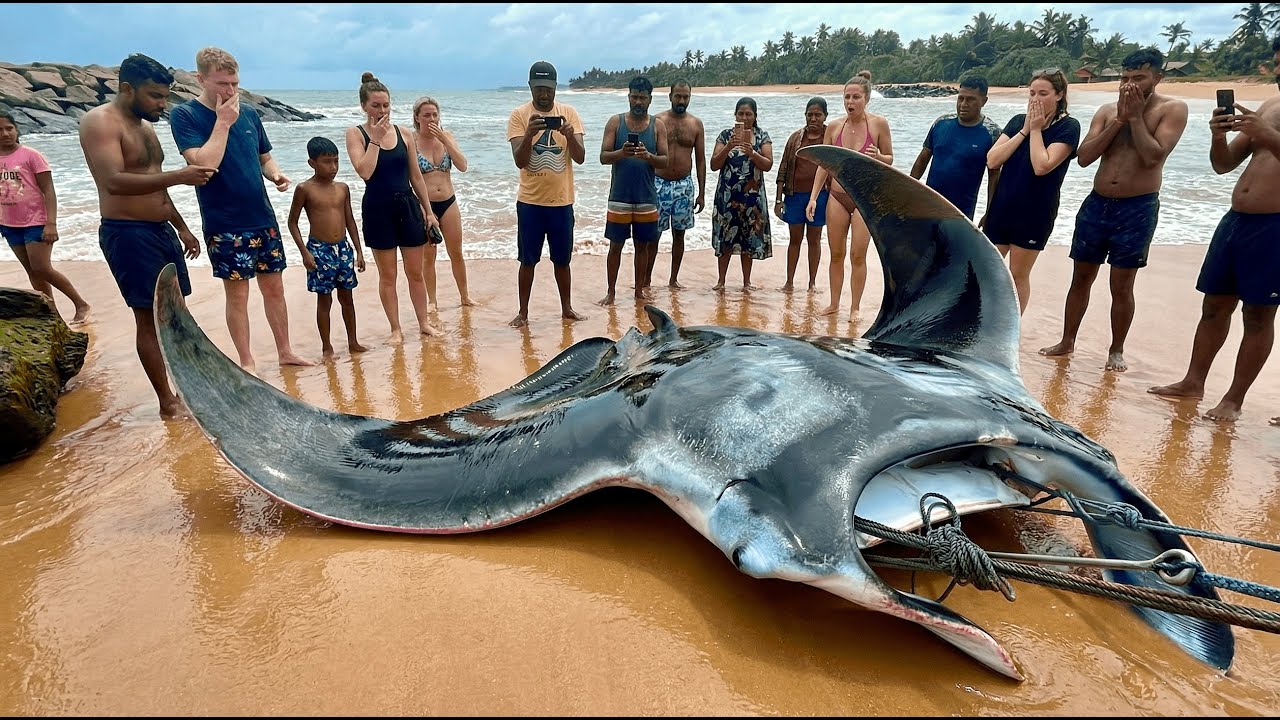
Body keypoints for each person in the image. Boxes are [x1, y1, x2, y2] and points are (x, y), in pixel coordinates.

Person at [1149, 36, 1280, 422]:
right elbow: (1223, 165)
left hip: (1275, 227)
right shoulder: (1271, 106)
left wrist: (1265, 133)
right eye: (1277, 65)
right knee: (1214, 305)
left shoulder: (1266, 118)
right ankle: (1193, 382)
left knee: (1258, 315)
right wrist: (1219, 134)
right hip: (1237, 221)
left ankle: (1234, 400)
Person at [77, 53, 216, 418]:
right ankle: (167, 402)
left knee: (176, 313)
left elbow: (154, 183)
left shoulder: (147, 127)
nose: (162, 104)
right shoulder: (100, 123)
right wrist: (180, 175)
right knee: (147, 317)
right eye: (155, 96)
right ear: (127, 88)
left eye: (165, 96)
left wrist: (181, 226)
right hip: (128, 234)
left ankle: (190, 387)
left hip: (160, 231)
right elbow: (114, 182)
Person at [1040, 49, 1189, 372]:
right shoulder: (1108, 111)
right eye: (1125, 78)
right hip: (1097, 202)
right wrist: (1120, 118)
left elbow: (1153, 157)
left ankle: (1116, 350)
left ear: (1157, 78)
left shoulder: (1172, 109)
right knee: (1081, 277)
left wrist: (1135, 118)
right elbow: (1084, 157)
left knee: (1121, 285)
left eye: (1139, 78)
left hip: (1138, 206)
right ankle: (1067, 340)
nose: (1129, 85)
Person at [169, 46, 313, 373]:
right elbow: (204, 164)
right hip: (225, 222)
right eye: (222, 84)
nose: (230, 91)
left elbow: (264, 156)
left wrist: (275, 174)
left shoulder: (248, 113)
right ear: (200, 79)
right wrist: (222, 123)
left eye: (234, 83)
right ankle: (247, 362)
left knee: (275, 289)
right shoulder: (185, 115)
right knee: (238, 296)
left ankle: (285, 351)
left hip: (262, 217)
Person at [346, 73, 443, 343]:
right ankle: (395, 329)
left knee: (416, 272)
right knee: (388, 275)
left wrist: (428, 212)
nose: (382, 111)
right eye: (376, 105)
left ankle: (423, 323)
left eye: (386, 105)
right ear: (364, 105)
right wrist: (375, 139)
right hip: (378, 209)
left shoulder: (404, 133)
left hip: (407, 205)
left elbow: (416, 176)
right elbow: (365, 172)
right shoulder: (356, 133)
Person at [983, 67, 1081, 315]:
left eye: (1043, 93)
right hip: (1002, 207)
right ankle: (981, 322)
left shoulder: (1068, 127)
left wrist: (1037, 130)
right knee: (986, 269)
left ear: (1059, 95)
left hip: (1035, 213)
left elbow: (1042, 165)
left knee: (1018, 275)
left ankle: (1011, 326)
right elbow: (993, 160)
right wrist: (1025, 130)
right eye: (1032, 93)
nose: (1036, 99)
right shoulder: (1018, 121)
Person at [506, 60, 588, 327]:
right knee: (527, 260)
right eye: (539, 88)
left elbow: (581, 157)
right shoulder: (519, 115)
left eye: (548, 88)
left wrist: (571, 136)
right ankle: (522, 313)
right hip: (530, 202)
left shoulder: (569, 113)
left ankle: (567, 309)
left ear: (555, 87)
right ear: (530, 86)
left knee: (562, 260)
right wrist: (529, 134)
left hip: (562, 201)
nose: (544, 94)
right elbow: (520, 160)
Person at [806, 71, 894, 318]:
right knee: (836, 253)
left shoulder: (878, 124)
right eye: (847, 97)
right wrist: (813, 198)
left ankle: (854, 307)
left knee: (858, 254)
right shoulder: (834, 127)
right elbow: (824, 164)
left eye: (856, 97)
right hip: (837, 197)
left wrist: (879, 157)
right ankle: (834, 303)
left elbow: (890, 159)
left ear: (867, 99)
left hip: (864, 200)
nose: (850, 102)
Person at [0, 109, 91, 324]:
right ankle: (51, 316)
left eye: (9, 128)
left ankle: (81, 304)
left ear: (17, 129)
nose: (5, 133)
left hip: (36, 221)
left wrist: (51, 223)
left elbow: (49, 190)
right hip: (8, 223)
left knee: (42, 268)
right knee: (33, 272)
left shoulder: (31, 155)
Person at [286, 136, 367, 360]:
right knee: (324, 300)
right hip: (319, 251)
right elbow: (292, 222)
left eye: (336, 161)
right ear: (312, 163)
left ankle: (353, 342)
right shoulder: (305, 189)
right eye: (327, 162)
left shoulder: (342, 188)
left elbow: (350, 220)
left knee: (347, 298)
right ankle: (327, 348)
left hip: (343, 249)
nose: (333, 167)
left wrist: (359, 251)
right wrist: (305, 252)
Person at [597, 75, 668, 305]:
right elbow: (603, 157)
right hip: (619, 196)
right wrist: (622, 153)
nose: (638, 102)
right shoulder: (615, 123)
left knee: (643, 246)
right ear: (628, 97)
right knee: (615, 245)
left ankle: (639, 291)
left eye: (642, 98)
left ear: (650, 100)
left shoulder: (658, 126)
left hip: (646, 196)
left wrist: (648, 156)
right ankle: (611, 292)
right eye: (634, 97)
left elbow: (665, 161)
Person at [909, 76, 1002, 221]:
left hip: (961, 213)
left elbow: (994, 176)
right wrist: (907, 191)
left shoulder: (992, 133)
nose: (964, 104)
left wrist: (990, 211)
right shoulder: (941, 123)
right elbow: (922, 160)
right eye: (961, 98)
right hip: (928, 205)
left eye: (971, 99)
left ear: (984, 101)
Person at [412, 96, 474, 309]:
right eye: (426, 115)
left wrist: (446, 141)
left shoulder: (447, 137)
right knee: (429, 256)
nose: (432, 119)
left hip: (449, 201)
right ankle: (432, 300)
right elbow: (408, 178)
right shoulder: (411, 141)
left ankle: (465, 296)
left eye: (435, 115)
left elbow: (463, 165)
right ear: (417, 118)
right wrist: (422, 208)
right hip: (425, 204)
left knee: (456, 252)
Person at [710, 97, 773, 292]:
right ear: (735, 115)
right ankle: (721, 281)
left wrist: (753, 153)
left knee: (748, 240)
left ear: (755, 116)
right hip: (727, 197)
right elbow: (714, 165)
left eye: (749, 114)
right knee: (726, 239)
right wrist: (729, 147)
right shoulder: (725, 136)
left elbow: (768, 165)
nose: (744, 117)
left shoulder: (762, 136)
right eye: (741, 114)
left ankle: (746, 282)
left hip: (752, 199)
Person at [652, 79, 706, 289]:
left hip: (684, 185)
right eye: (678, 96)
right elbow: (647, 155)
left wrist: (701, 193)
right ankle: (646, 279)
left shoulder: (695, 124)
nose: (682, 100)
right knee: (653, 235)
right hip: (659, 184)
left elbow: (700, 160)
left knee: (679, 234)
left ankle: (673, 280)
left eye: (686, 97)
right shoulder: (657, 121)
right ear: (670, 96)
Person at [774, 97, 829, 292]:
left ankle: (812, 283)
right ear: (805, 116)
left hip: (821, 196)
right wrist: (778, 199)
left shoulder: (829, 138)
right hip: (794, 195)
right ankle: (789, 282)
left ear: (825, 116)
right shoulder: (795, 138)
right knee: (794, 240)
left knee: (814, 239)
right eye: (810, 115)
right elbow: (783, 168)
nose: (813, 119)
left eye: (818, 115)